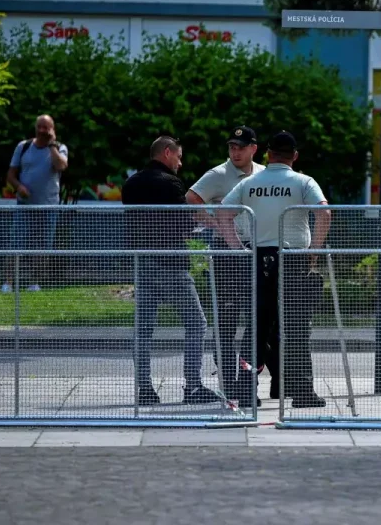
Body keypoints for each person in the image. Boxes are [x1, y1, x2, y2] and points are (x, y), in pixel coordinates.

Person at [218, 130, 330, 408]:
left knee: (257, 326)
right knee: (296, 326)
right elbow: (324, 213)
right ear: (294, 156)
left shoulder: (251, 182)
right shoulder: (304, 181)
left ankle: (245, 390)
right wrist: (313, 252)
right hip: (293, 259)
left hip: (259, 258)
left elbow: (222, 212)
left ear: (267, 154)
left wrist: (237, 249)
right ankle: (302, 392)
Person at [121, 136, 221, 406]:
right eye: (178, 156)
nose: (180, 162)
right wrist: (200, 227)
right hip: (170, 263)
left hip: (142, 263)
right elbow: (181, 223)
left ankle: (145, 389)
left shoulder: (130, 184)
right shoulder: (171, 183)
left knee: (143, 329)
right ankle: (193, 387)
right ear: (166, 153)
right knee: (197, 323)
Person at [186, 126, 265, 405]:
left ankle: (247, 383)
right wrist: (213, 221)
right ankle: (229, 382)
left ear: (253, 148)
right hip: (227, 253)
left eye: (241, 147)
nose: (235, 151)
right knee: (226, 322)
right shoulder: (219, 174)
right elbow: (192, 198)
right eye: (232, 146)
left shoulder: (263, 173)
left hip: (256, 250)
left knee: (257, 321)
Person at [2, 115, 69, 293]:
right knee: (16, 243)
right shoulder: (23, 147)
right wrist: (19, 186)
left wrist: (52, 145)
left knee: (42, 246)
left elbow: (61, 166)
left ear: (52, 130)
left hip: (48, 207)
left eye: (46, 128)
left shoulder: (60, 148)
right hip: (24, 205)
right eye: (40, 127)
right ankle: (8, 283)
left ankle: (34, 283)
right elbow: (11, 175)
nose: (42, 131)